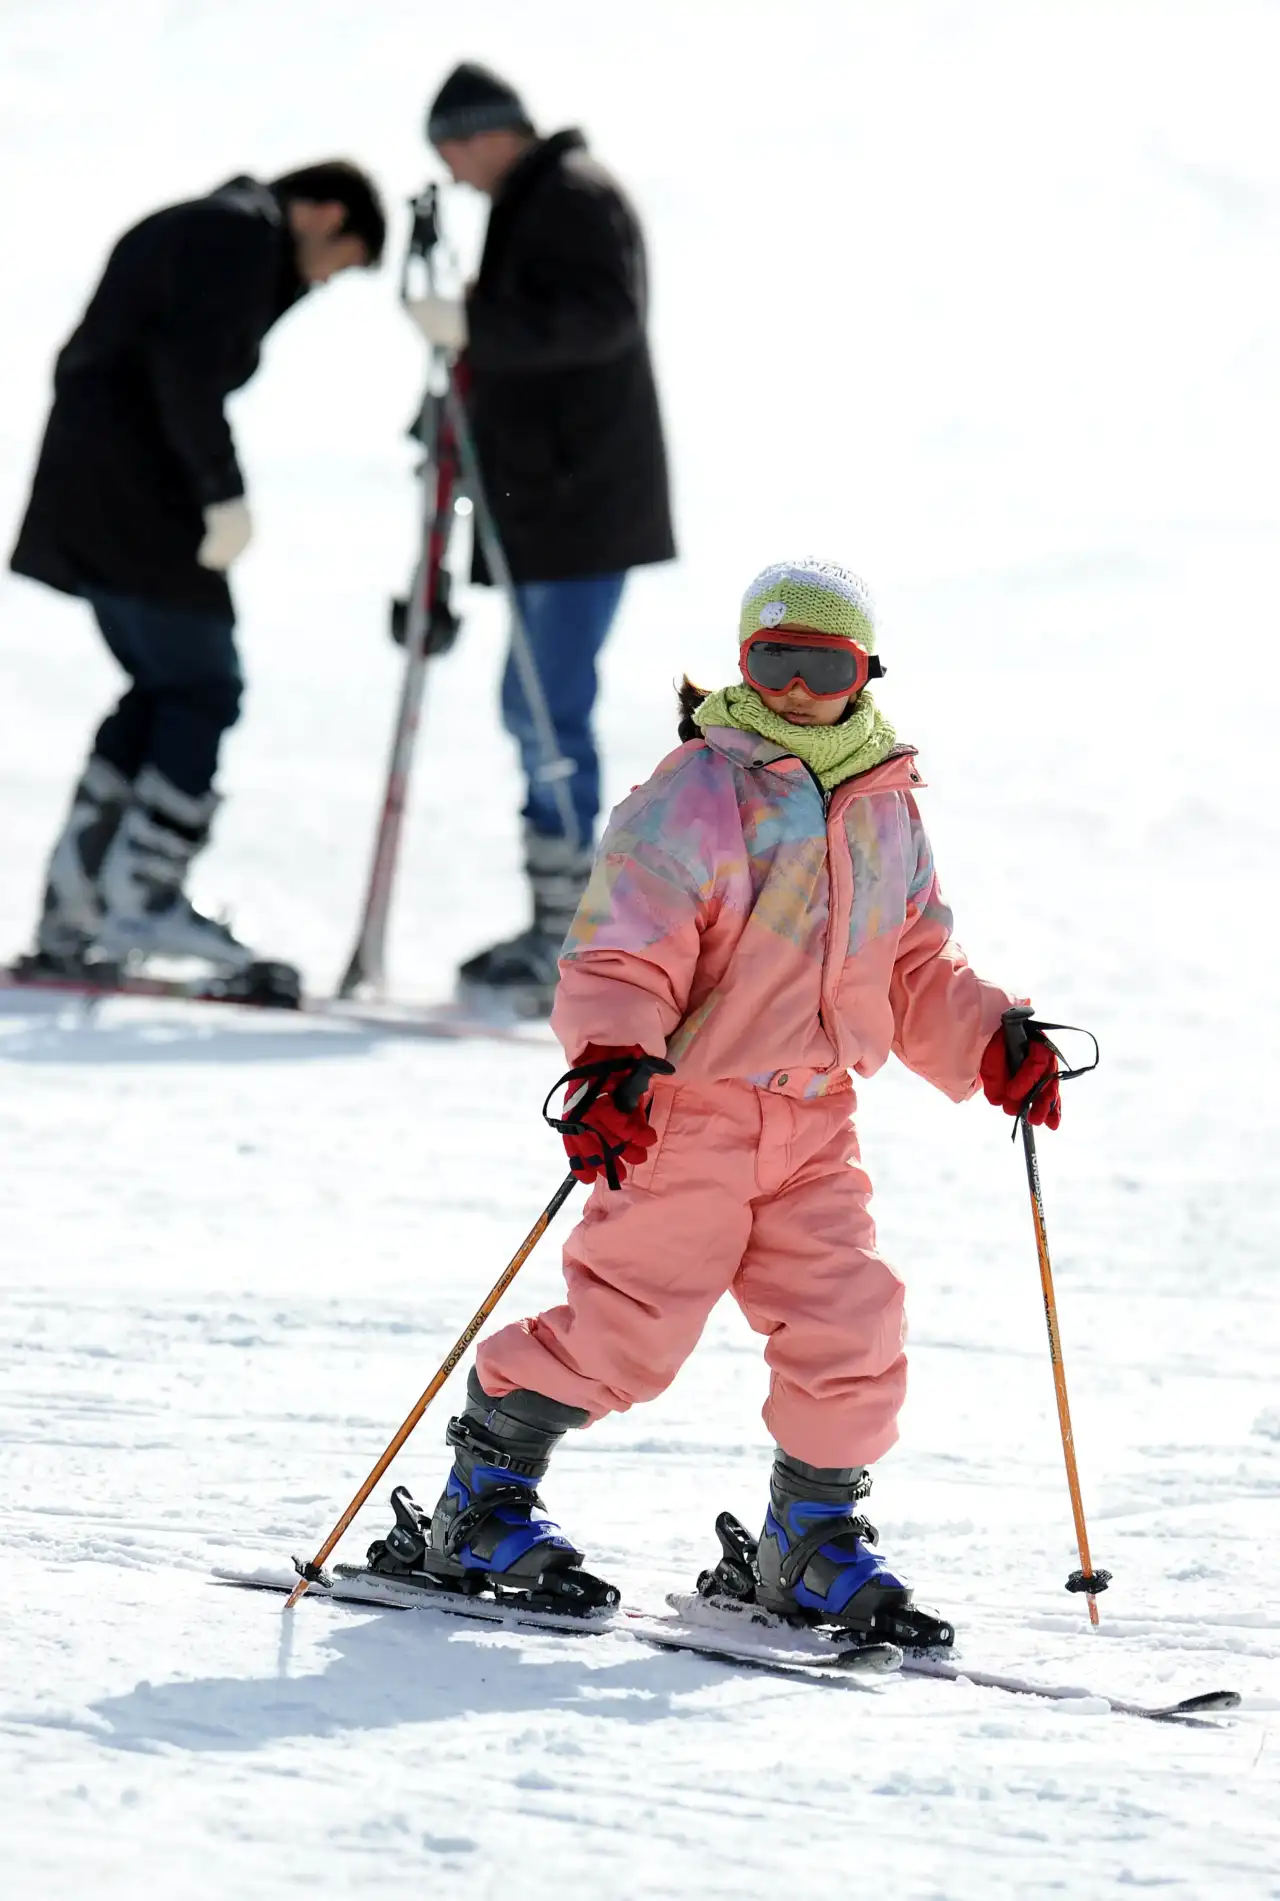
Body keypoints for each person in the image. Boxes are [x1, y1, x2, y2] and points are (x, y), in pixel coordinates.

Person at [368, 558, 1063, 1631]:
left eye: (818, 662)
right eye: (768, 659)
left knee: (852, 1317)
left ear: (862, 671)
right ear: (741, 663)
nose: (792, 684)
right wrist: (609, 1059)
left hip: (813, 1120)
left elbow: (914, 962)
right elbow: (624, 941)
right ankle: (482, 1494)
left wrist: (990, 1041)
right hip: (683, 1114)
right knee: (629, 1330)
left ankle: (811, 1537)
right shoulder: (700, 787)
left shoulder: (884, 801)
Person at [9, 162, 386, 975]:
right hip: (138, 491)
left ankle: (76, 904)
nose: (323, 283)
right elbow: (182, 372)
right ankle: (141, 899)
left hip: (100, 483)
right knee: (203, 684)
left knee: (164, 686)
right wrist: (221, 493)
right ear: (323, 213)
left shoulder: (210, 227)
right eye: (341, 261)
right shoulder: (239, 235)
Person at [412, 62, 675, 1011]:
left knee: (546, 706)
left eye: (448, 146)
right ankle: (565, 922)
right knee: (538, 705)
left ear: (485, 132)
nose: (448, 168)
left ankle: (583, 937)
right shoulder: (547, 197)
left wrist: (473, 324)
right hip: (560, 503)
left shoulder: (567, 196)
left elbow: (601, 319)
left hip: (577, 505)